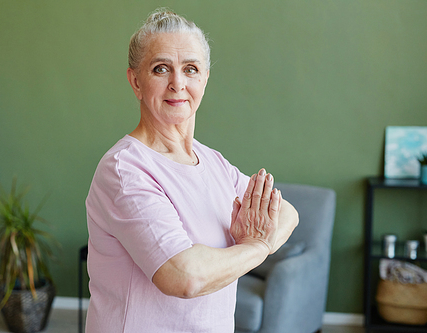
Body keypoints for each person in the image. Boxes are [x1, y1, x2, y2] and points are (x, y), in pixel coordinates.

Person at [85, 9, 299, 333]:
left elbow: (287, 212)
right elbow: (184, 276)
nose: (178, 83)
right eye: (161, 69)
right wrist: (256, 247)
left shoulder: (213, 163)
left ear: (205, 79)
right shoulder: (124, 169)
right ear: (136, 81)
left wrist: (256, 241)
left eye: (191, 69)